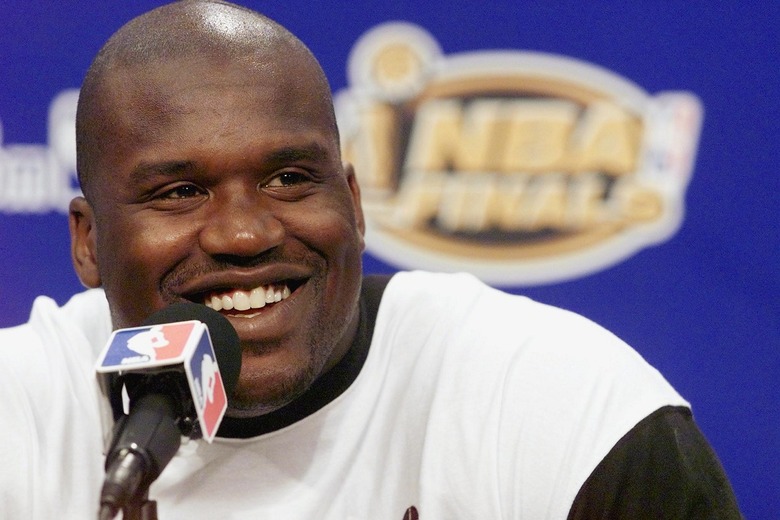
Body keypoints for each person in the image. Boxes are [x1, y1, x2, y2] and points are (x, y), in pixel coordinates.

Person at [0, 1, 742, 518]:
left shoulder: (552, 403)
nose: (244, 234)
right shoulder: (20, 415)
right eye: (181, 192)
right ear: (88, 242)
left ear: (353, 205)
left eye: (289, 178)